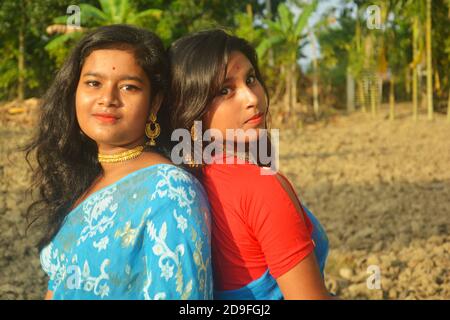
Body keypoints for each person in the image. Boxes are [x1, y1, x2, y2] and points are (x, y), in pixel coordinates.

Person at [25, 25, 212, 300]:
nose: (108, 99)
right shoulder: (84, 177)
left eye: (128, 87)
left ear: (154, 103)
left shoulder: (169, 191)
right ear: (73, 91)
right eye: (93, 83)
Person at [168, 29, 331, 300]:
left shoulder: (191, 179)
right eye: (225, 90)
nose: (252, 99)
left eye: (251, 79)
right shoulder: (259, 186)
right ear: (191, 106)